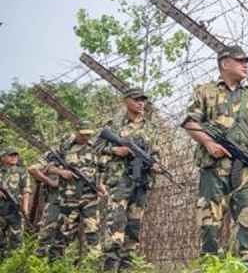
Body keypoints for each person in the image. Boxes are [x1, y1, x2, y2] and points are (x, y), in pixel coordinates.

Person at [182, 45, 248, 266]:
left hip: (246, 168)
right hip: (215, 167)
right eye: (240, 61)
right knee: (210, 221)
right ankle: (211, 264)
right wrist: (209, 143)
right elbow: (191, 123)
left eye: (247, 62)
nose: (245, 65)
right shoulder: (205, 91)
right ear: (224, 63)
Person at [96, 87, 161, 271]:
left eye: (143, 100)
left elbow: (155, 152)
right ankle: (109, 267)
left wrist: (156, 165)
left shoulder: (151, 127)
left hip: (141, 182)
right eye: (136, 99)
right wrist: (115, 150)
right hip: (119, 181)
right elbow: (97, 147)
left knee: (134, 227)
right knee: (116, 225)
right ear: (126, 100)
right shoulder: (114, 124)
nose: (141, 103)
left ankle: (126, 268)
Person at [45, 123, 107, 260]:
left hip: (90, 197)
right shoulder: (64, 146)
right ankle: (55, 263)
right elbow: (47, 167)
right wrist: (61, 172)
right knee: (64, 232)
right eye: (83, 134)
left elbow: (102, 168)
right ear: (76, 132)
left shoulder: (95, 148)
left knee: (93, 230)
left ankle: (93, 264)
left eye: (88, 134)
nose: (86, 137)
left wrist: (101, 184)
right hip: (69, 198)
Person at [28, 151, 62, 257]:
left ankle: (56, 261)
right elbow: (32, 169)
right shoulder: (53, 156)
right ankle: (38, 260)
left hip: (72, 203)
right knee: (46, 233)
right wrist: (50, 181)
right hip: (52, 202)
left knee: (62, 236)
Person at [0, 148, 31, 257]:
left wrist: (25, 208)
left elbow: (26, 190)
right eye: (11, 155)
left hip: (15, 209)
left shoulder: (22, 171)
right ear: (3, 157)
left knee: (16, 239)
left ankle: (14, 262)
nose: (14, 157)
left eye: (15, 155)